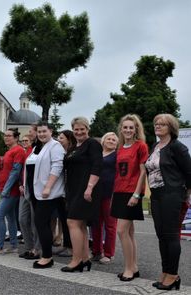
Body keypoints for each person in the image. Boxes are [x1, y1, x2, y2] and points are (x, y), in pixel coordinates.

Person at [146, 114, 191, 290]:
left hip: (172, 194)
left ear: (171, 128)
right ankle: (165, 271)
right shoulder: (155, 146)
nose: (157, 126)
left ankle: (173, 275)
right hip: (156, 195)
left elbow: (189, 172)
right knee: (161, 235)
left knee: (171, 235)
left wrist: (185, 193)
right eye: (156, 124)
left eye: (162, 124)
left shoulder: (177, 147)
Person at [62, 117, 103, 273]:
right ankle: (85, 259)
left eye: (82, 129)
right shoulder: (74, 148)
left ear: (87, 129)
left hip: (86, 189)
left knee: (72, 222)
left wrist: (90, 187)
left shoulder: (92, 144)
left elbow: (97, 166)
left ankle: (76, 260)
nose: (79, 132)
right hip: (73, 190)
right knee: (80, 225)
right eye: (76, 129)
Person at [110, 114, 148, 281]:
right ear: (121, 129)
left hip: (131, 192)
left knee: (121, 231)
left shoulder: (141, 146)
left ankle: (128, 269)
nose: (127, 130)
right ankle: (134, 267)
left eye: (131, 127)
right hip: (119, 191)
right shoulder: (119, 148)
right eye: (125, 127)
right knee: (130, 232)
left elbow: (143, 172)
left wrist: (137, 194)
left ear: (136, 129)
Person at [31, 122, 66, 269]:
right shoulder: (44, 146)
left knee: (41, 222)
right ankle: (46, 255)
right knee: (41, 223)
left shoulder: (55, 146)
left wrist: (48, 187)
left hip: (51, 193)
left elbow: (57, 167)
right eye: (39, 132)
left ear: (51, 131)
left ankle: (47, 257)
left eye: (44, 131)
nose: (41, 134)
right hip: (42, 192)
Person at [0, 129, 26, 256]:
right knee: (11, 218)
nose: (6, 138)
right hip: (6, 188)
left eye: (9, 136)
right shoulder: (9, 151)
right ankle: (14, 245)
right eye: (5, 135)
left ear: (16, 138)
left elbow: (16, 171)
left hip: (11, 190)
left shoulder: (18, 150)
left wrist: (6, 189)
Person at [92, 132, 118, 265]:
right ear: (103, 140)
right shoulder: (96, 154)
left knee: (110, 225)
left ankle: (108, 253)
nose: (111, 141)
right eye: (109, 138)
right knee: (96, 223)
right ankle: (97, 251)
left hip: (110, 193)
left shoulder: (117, 155)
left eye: (114, 140)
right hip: (96, 193)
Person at [19, 123, 42, 260]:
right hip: (26, 188)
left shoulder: (42, 147)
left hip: (36, 190)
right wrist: (21, 184)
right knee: (22, 219)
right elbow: (24, 169)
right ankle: (29, 247)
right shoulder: (31, 148)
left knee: (35, 221)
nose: (29, 133)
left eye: (31, 131)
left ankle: (37, 249)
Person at [51, 130, 75, 257]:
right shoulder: (61, 152)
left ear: (69, 140)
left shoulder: (71, 153)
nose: (58, 140)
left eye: (61, 138)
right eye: (58, 137)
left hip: (69, 191)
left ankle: (71, 247)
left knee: (69, 221)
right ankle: (66, 245)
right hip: (61, 191)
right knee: (63, 219)